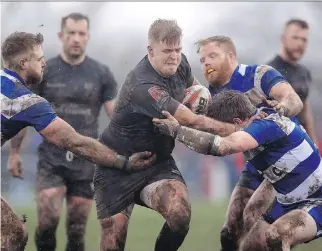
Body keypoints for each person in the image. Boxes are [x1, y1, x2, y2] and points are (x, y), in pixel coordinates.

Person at [94, 19, 246, 251]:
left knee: (180, 214)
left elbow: (197, 93)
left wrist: (231, 110)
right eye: (167, 51)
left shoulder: (180, 64)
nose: (174, 56)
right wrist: (237, 130)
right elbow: (191, 119)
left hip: (157, 162)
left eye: (177, 50)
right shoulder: (143, 86)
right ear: (150, 51)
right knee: (113, 244)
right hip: (116, 166)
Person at [1, 31, 155, 251]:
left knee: (13, 234)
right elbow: (75, 142)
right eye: (39, 58)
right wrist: (122, 161)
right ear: (24, 63)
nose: (44, 63)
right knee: (13, 235)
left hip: (79, 174)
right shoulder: (26, 101)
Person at [153, 90, 322, 251]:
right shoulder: (253, 118)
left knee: (276, 235)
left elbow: (225, 146)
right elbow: (216, 131)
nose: (218, 131)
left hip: (317, 200)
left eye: (219, 127)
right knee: (249, 246)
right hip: (287, 199)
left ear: (237, 122)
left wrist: (177, 131)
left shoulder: (265, 126)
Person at [7, 13, 119, 251]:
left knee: (77, 227)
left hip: (86, 159)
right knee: (47, 219)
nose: (76, 38)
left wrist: (132, 134)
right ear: (61, 36)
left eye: (81, 33)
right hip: (52, 157)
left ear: (87, 37)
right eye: (71, 33)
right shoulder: (43, 71)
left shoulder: (101, 73)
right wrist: (15, 152)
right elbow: (21, 113)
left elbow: (115, 115)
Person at [194, 35, 304, 251]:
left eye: (212, 56)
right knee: (229, 233)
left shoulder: (259, 74)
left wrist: (280, 109)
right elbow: (222, 138)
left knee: (258, 229)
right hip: (256, 163)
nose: (206, 63)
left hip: (287, 161)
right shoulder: (211, 96)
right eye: (202, 59)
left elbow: (294, 100)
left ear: (231, 56)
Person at [267, 18, 317, 143]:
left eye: (304, 39)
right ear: (283, 38)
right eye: (295, 37)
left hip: (300, 144)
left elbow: (305, 110)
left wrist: (314, 145)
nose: (300, 43)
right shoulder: (269, 71)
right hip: (276, 148)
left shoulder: (304, 73)